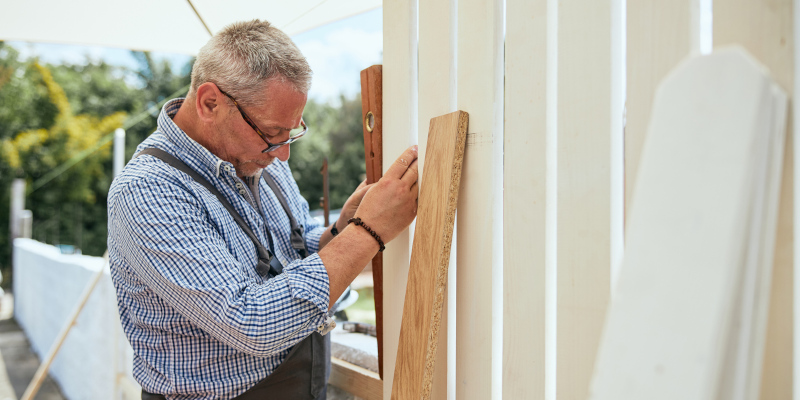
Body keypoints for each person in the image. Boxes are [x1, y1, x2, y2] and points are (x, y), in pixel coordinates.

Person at [107, 19, 418, 400]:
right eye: (273, 134)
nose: (283, 154)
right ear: (209, 103)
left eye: (292, 132)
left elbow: (293, 247)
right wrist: (367, 231)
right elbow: (250, 324)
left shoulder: (258, 154)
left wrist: (337, 232)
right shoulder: (149, 190)